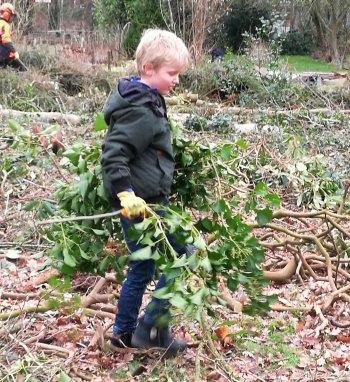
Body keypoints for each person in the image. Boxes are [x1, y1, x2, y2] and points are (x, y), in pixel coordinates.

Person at [101, 29, 191, 357]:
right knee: (187, 251)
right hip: (141, 204)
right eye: (172, 73)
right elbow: (114, 153)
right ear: (149, 68)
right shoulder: (140, 107)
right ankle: (151, 326)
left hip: (148, 200)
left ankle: (124, 334)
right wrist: (126, 193)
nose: (176, 80)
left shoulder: (145, 100)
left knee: (143, 266)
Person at [0, 3, 26, 71]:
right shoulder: (4, 25)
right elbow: (6, 41)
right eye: (11, 15)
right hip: (2, 55)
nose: (11, 17)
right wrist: (14, 52)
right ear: (6, 13)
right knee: (22, 69)